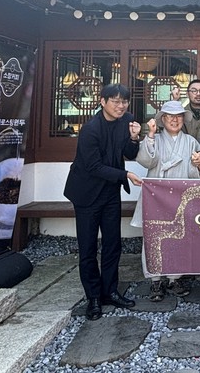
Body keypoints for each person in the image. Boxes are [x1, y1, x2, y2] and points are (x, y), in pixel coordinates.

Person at [63, 83, 143, 321]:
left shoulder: (127, 120)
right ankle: (93, 297)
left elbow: (129, 153)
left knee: (112, 244)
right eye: (115, 101)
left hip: (110, 192)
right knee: (88, 247)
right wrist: (125, 175)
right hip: (86, 193)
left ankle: (110, 291)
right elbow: (94, 166)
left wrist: (134, 137)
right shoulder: (90, 129)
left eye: (124, 101)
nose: (121, 106)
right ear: (103, 101)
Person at [131, 100, 200, 301]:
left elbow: (197, 172)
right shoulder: (154, 139)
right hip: (156, 197)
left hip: (180, 197)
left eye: (178, 116)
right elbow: (147, 161)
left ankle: (175, 278)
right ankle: (155, 280)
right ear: (163, 119)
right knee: (153, 237)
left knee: (179, 237)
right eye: (170, 117)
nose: (175, 120)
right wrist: (149, 135)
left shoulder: (190, 142)